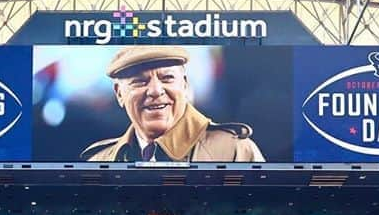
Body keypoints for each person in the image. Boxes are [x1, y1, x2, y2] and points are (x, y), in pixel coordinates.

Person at [81, 46, 265, 162]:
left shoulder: (235, 150)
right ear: (119, 93)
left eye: (167, 78)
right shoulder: (100, 159)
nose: (155, 90)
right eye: (139, 81)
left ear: (184, 85)